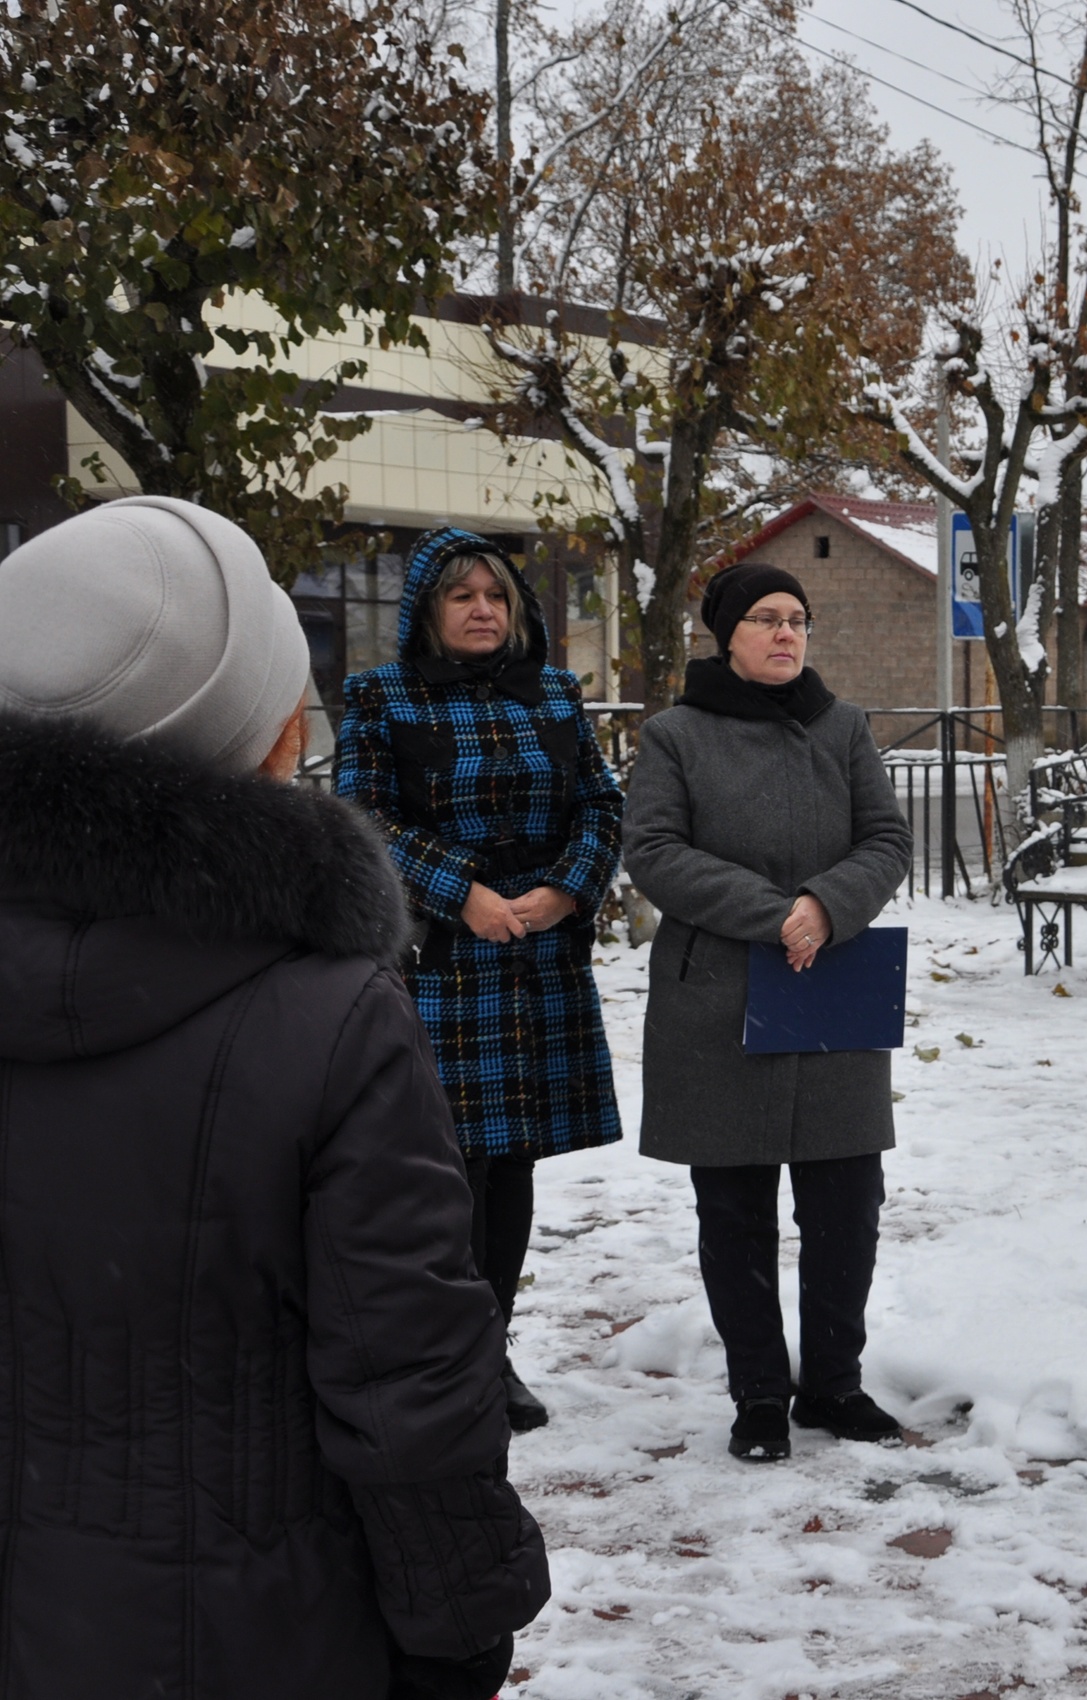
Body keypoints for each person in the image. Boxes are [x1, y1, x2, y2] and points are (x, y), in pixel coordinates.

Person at [0, 498, 548, 1699]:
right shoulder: (327, 1020)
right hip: (257, 1626)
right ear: (271, 730)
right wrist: (460, 1628)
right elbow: (408, 1378)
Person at [623, 563, 914, 1464]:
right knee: (735, 1208)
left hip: (831, 985)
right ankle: (758, 1394)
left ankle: (833, 1385)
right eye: (765, 619)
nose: (786, 634)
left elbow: (888, 839)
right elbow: (655, 851)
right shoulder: (675, 735)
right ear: (726, 633)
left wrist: (827, 905)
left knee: (845, 1203)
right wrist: (774, 913)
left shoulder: (845, 726)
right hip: (718, 993)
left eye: (798, 620)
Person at [337, 528, 626, 1434]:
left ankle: (491, 1351)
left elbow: (601, 802)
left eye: (496, 596)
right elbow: (363, 817)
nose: (482, 610)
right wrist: (463, 894)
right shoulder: (381, 698)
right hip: (445, 963)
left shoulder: (554, 692)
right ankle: (446, 1357)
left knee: (511, 1169)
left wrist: (559, 892)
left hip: (538, 958)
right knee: (444, 1172)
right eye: (462, 596)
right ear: (428, 608)